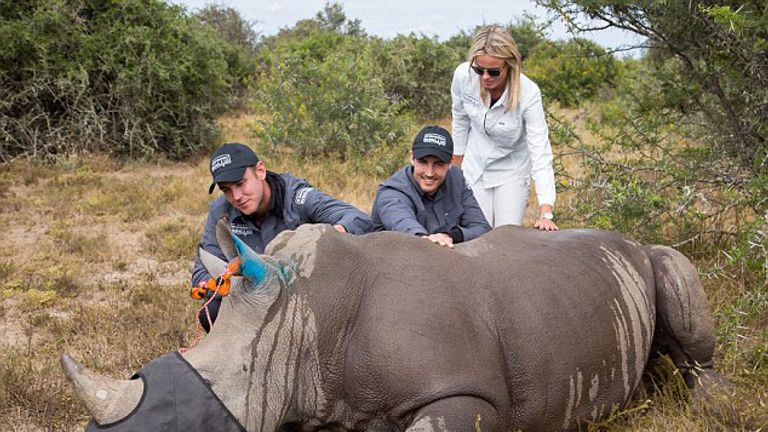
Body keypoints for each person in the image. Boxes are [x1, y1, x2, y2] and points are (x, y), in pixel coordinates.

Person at [192, 142, 372, 330]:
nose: (236, 196)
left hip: (305, 294)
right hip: (254, 295)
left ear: (260, 171)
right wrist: (219, 283)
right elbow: (201, 271)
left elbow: (358, 219)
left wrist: (323, 239)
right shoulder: (220, 211)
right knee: (210, 311)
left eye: (240, 183)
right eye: (226, 190)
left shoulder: (298, 198)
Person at [451, 25, 558, 231]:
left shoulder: (528, 93)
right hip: (474, 166)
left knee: (505, 236)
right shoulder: (463, 76)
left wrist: (546, 211)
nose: (484, 77)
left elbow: (540, 150)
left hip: (511, 170)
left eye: (493, 71)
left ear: (510, 66)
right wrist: (455, 172)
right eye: (478, 69)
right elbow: (460, 120)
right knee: (477, 234)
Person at [371, 125, 491, 248]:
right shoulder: (392, 192)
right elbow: (404, 225)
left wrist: (451, 236)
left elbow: (482, 228)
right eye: (423, 162)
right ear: (412, 158)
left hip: (438, 260)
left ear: (450, 163)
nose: (429, 173)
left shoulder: (456, 179)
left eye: (438, 164)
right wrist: (425, 240)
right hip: (395, 260)